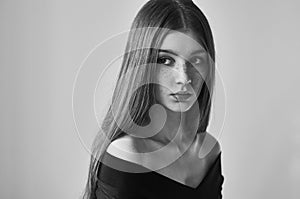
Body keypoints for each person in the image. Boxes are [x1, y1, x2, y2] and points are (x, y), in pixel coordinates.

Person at [82, 0, 224, 198]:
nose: (184, 78)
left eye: (196, 60)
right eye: (165, 60)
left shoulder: (209, 151)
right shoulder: (128, 153)